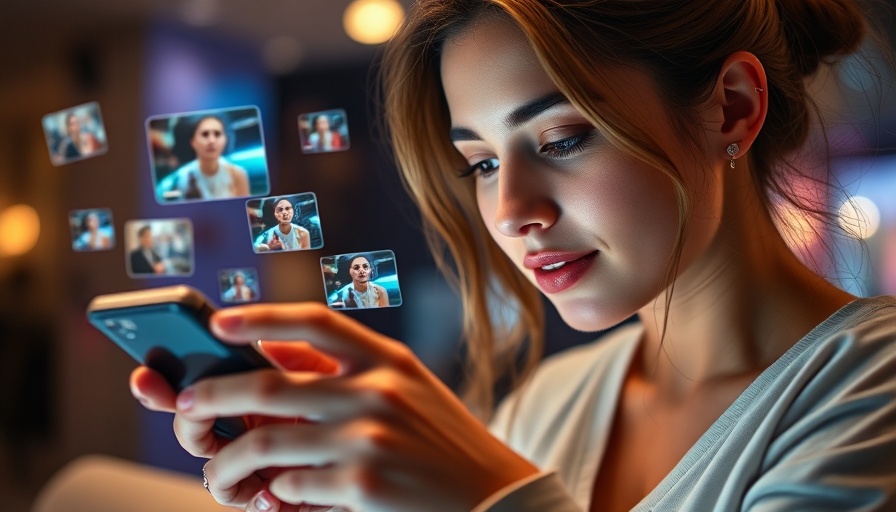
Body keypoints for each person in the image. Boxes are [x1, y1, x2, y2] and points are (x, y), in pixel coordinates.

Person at [131, 1, 896, 511]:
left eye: (561, 139)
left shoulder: (871, 387)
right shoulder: (544, 404)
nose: (510, 213)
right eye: (484, 163)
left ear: (732, 106)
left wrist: (486, 495)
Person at [165, 115, 250, 201]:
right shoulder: (182, 178)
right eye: (205, 134)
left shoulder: (238, 175)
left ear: (225, 139)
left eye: (217, 134)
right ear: (193, 142)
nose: (212, 140)